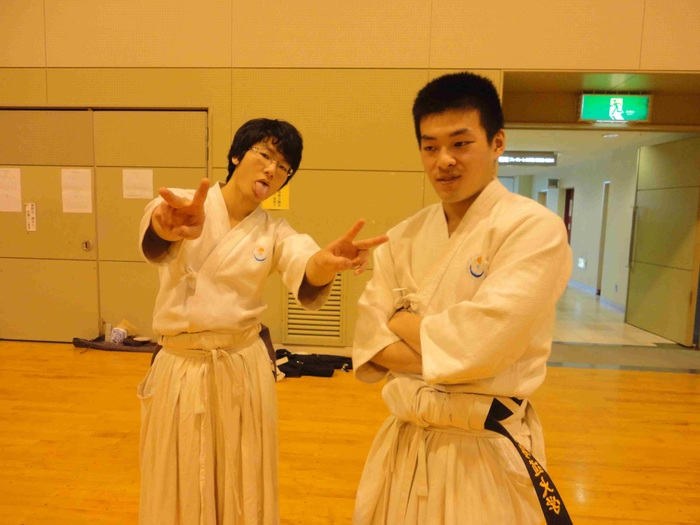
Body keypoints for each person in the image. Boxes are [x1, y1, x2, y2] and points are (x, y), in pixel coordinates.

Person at [137, 118, 387, 525]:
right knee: (176, 474)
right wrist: (165, 227)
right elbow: (157, 231)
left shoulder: (275, 232)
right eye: (265, 155)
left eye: (284, 167)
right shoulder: (186, 204)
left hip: (240, 365)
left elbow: (305, 263)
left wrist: (325, 264)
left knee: (243, 473)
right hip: (182, 365)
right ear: (237, 155)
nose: (273, 170)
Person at [352, 72, 573, 524]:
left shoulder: (534, 229)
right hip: (405, 441)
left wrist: (401, 320)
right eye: (430, 147)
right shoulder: (401, 237)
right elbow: (370, 342)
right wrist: (451, 349)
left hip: (484, 448)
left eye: (460, 143)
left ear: (497, 143)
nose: (444, 161)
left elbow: (483, 347)